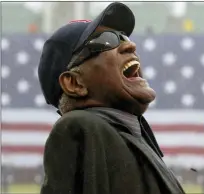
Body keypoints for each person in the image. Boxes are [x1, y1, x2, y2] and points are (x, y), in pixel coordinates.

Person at [38, 2, 186, 194]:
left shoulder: (128, 136)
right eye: (106, 40)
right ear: (75, 84)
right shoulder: (78, 127)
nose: (130, 45)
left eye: (123, 37)